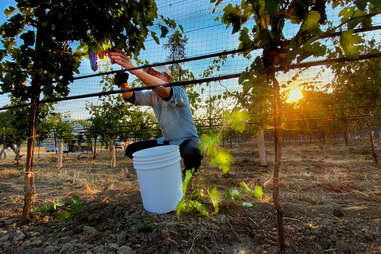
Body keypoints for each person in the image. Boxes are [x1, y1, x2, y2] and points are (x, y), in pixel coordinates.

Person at [110, 51, 202, 174]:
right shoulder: (152, 96)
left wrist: (135, 71)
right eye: (150, 75)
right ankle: (159, 169)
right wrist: (123, 84)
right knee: (132, 150)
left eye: (154, 75)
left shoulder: (179, 92)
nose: (150, 78)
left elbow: (164, 91)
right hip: (168, 142)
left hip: (187, 141)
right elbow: (130, 97)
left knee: (192, 152)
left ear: (167, 78)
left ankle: (188, 174)